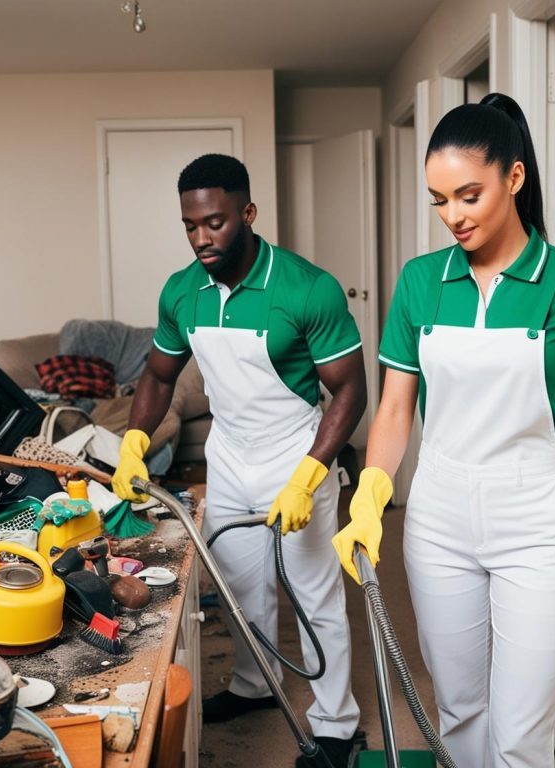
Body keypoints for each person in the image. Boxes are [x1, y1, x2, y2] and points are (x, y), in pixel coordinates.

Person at [332, 93, 555, 767]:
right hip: (437, 519)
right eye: (439, 200)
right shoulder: (420, 282)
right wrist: (370, 498)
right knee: (459, 711)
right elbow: (393, 409)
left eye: (468, 195)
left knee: (524, 732)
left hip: (538, 524)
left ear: (515, 177)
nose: (453, 217)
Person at [112, 153, 365, 768]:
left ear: (248, 214)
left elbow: (352, 389)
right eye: (191, 226)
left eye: (216, 223)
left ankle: (337, 724)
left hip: (295, 453)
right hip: (229, 457)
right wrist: (134, 439)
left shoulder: (307, 288)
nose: (203, 238)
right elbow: (158, 374)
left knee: (314, 595)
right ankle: (254, 686)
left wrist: (311, 475)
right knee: (240, 589)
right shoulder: (182, 292)